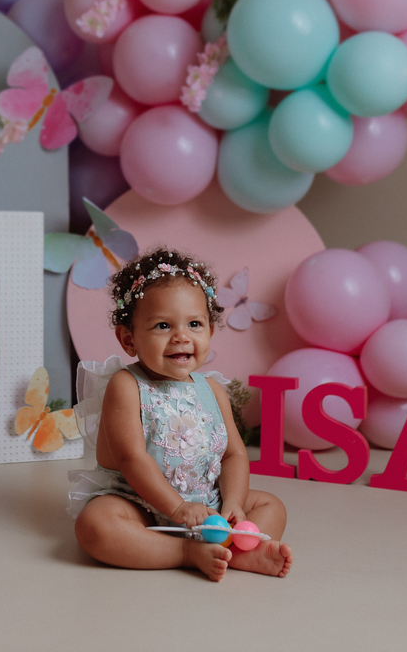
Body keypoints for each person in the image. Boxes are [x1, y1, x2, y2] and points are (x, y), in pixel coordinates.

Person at [69, 248, 294, 582]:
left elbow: (233, 455)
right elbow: (132, 458)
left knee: (271, 505)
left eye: (194, 324)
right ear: (129, 339)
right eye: (163, 325)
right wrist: (176, 508)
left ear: (210, 332)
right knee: (95, 525)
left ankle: (238, 549)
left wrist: (233, 502)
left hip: (208, 504)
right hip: (141, 503)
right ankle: (185, 552)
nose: (181, 336)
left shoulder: (212, 390)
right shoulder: (127, 386)